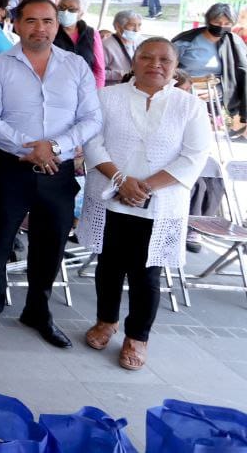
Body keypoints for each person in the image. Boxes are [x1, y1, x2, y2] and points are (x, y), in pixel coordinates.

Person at [0, 0, 102, 347]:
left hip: (57, 169)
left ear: (57, 25)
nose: (40, 28)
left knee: (50, 244)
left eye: (47, 21)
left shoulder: (75, 66)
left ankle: (38, 311)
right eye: (31, 21)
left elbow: (92, 118)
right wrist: (30, 148)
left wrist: (55, 148)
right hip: (11, 167)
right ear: (15, 23)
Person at [80, 38, 210, 370]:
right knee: (108, 266)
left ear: (175, 65)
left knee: (146, 274)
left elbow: (193, 157)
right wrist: (122, 181)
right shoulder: (106, 97)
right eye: (147, 57)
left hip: (159, 204)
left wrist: (146, 187)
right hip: (112, 198)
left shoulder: (189, 106)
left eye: (164, 59)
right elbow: (92, 143)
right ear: (134, 62)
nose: (156, 64)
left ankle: (137, 337)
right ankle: (106, 321)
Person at [173, 3, 247, 134]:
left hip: (215, 94)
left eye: (227, 23)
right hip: (184, 92)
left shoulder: (234, 42)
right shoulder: (187, 40)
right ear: (208, 21)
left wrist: (219, 91)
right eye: (217, 22)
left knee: (202, 132)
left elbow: (239, 73)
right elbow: (168, 67)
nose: (221, 26)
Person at [53, 0, 106, 88]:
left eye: (72, 10)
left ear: (81, 14)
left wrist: (97, 93)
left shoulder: (91, 33)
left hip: (86, 89)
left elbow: (99, 69)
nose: (65, 12)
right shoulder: (50, 32)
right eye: (62, 7)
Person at [102, 10, 143, 86]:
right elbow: (97, 73)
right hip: (114, 89)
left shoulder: (141, 41)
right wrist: (121, 74)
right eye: (132, 25)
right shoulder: (106, 45)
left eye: (139, 25)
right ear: (118, 27)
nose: (137, 30)